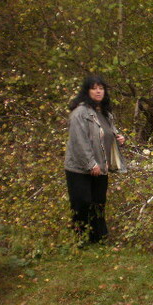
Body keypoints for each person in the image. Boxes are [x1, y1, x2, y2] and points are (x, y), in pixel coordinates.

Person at [64, 75, 126, 244]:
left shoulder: (104, 112)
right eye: (94, 88)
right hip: (79, 168)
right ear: (87, 91)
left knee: (99, 203)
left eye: (101, 88)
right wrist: (90, 163)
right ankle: (80, 239)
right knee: (82, 203)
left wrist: (118, 137)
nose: (98, 91)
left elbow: (107, 132)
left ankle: (98, 238)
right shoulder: (79, 113)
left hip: (101, 166)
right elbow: (79, 141)